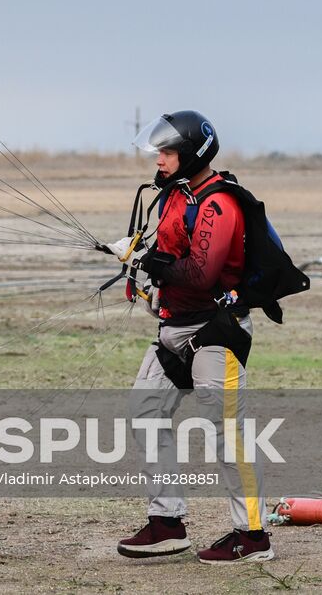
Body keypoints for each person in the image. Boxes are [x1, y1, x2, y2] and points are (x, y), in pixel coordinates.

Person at [113, 111, 272, 563]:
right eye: (159, 152)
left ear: (190, 154)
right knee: (145, 409)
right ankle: (167, 523)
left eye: (167, 152)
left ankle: (253, 535)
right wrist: (138, 257)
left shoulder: (219, 203)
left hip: (216, 330)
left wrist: (148, 263)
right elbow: (167, 253)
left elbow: (200, 274)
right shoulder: (172, 197)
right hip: (175, 328)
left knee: (225, 431)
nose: (160, 160)